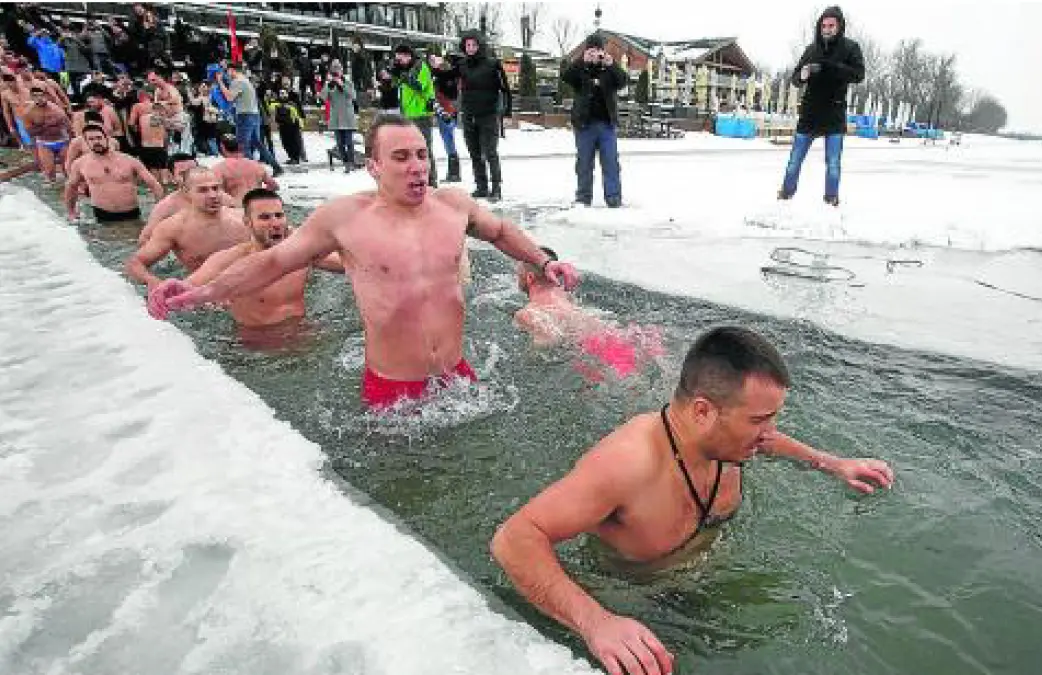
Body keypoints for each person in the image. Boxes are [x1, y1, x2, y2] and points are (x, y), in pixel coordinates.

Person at [491, 326, 895, 675]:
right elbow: (513, 539)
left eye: (772, 417)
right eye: (759, 420)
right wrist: (597, 623)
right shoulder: (627, 464)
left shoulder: (732, 441)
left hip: (705, 586)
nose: (769, 432)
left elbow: (770, 441)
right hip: (631, 602)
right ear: (702, 411)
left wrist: (833, 463)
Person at [148, 114, 580, 411]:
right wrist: (202, 291)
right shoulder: (344, 219)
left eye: (421, 155)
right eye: (401, 157)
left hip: (457, 376)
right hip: (393, 388)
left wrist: (544, 263)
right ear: (373, 166)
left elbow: (500, 232)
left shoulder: (453, 205)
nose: (417, 167)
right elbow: (273, 262)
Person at [148, 187, 343, 330]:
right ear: (247, 222)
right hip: (257, 345)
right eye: (265, 217)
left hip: (303, 334)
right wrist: (170, 291)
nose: (275, 223)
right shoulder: (232, 258)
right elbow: (191, 286)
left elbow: (347, 265)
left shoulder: (300, 254)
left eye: (279, 215)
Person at [514, 246, 665, 382]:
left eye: (518, 273)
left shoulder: (527, 313)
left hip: (592, 356)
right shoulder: (565, 296)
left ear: (530, 278)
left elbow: (549, 344)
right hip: (614, 339)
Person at [777, 6, 864, 206]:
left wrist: (833, 67)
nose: (827, 29)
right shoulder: (811, 50)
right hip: (810, 113)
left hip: (834, 112)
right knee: (794, 160)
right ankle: (786, 194)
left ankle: (831, 198)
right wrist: (802, 76)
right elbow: (795, 79)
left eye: (831, 25)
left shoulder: (850, 48)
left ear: (839, 27)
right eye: (824, 25)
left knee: (833, 163)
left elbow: (859, 75)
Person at [124, 166, 248, 288]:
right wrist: (154, 282)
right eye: (203, 190)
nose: (212, 195)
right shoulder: (174, 228)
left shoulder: (243, 218)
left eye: (215, 188)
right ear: (186, 192)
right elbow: (136, 263)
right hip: (203, 293)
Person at [562, 34, 628, 208]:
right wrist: (581, 62)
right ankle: (583, 197)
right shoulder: (580, 68)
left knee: (610, 162)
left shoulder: (608, 67)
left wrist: (612, 65)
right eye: (591, 50)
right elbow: (566, 77)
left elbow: (623, 81)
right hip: (584, 124)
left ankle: (613, 197)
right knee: (584, 163)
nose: (595, 53)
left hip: (606, 124)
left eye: (598, 50)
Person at [64, 122, 164, 224]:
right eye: (91, 139)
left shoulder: (129, 161)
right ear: (86, 142)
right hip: (101, 214)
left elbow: (154, 185)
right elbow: (71, 187)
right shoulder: (80, 164)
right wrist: (71, 212)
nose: (96, 142)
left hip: (131, 213)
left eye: (99, 138)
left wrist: (159, 212)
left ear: (107, 138)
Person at [455, 31, 510, 201]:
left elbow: (505, 89)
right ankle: (481, 186)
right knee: (475, 153)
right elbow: (449, 82)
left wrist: (506, 111)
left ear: (480, 46)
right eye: (467, 45)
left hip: (488, 115)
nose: (470, 48)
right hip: (469, 114)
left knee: (490, 152)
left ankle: (496, 187)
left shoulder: (492, 64)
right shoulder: (461, 65)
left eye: (474, 45)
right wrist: (438, 69)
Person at [138, 154, 239, 245]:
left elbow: (243, 221)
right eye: (182, 174)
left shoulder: (221, 198)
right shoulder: (167, 207)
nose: (189, 177)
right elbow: (144, 239)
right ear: (172, 177)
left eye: (193, 171)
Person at [215, 62, 283, 177]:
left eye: (227, 71)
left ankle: (253, 173)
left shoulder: (237, 82)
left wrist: (220, 82)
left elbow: (229, 97)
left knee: (243, 145)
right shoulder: (246, 81)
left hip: (244, 116)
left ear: (232, 70)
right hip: (254, 115)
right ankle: (276, 167)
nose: (226, 74)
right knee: (257, 143)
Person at [389, 44, 439, 187]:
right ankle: (417, 180)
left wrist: (402, 75)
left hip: (421, 114)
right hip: (407, 115)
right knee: (411, 150)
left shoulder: (420, 66)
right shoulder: (403, 69)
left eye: (400, 59)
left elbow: (418, 86)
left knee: (424, 149)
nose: (399, 61)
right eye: (397, 59)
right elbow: (394, 86)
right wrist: (392, 75)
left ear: (408, 56)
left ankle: (431, 182)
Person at [23, 83, 70, 181]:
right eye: (35, 96)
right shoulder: (28, 112)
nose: (39, 98)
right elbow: (30, 132)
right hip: (44, 143)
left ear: (46, 96)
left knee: (67, 170)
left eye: (41, 95)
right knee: (49, 171)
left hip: (62, 141)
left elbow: (68, 126)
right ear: (31, 97)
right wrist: (45, 126)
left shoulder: (56, 109)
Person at [213, 134, 279, 202]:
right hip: (256, 204)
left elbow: (216, 192)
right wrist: (260, 195)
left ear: (222, 147)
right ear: (239, 147)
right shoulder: (256, 165)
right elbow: (274, 186)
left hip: (237, 205)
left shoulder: (219, 169)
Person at [430, 53, 461, 183]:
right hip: (445, 110)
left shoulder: (445, 77)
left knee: (448, 140)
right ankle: (453, 172)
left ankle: (454, 173)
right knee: (448, 140)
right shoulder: (441, 76)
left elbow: (451, 95)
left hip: (447, 111)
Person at [128, 91, 170, 186]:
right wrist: (165, 144)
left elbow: (131, 124)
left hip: (146, 146)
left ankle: (154, 185)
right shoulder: (158, 118)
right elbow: (162, 134)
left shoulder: (141, 116)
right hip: (158, 146)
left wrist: (137, 133)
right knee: (162, 167)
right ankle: (164, 184)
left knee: (152, 167)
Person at [322, 59, 358, 173]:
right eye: (334, 70)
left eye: (338, 70)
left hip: (347, 117)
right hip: (336, 118)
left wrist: (342, 85)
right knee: (340, 144)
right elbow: (323, 97)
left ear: (342, 71)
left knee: (349, 142)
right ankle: (346, 162)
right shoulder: (330, 84)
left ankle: (351, 163)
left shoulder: (347, 82)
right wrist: (328, 85)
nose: (337, 72)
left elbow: (353, 96)